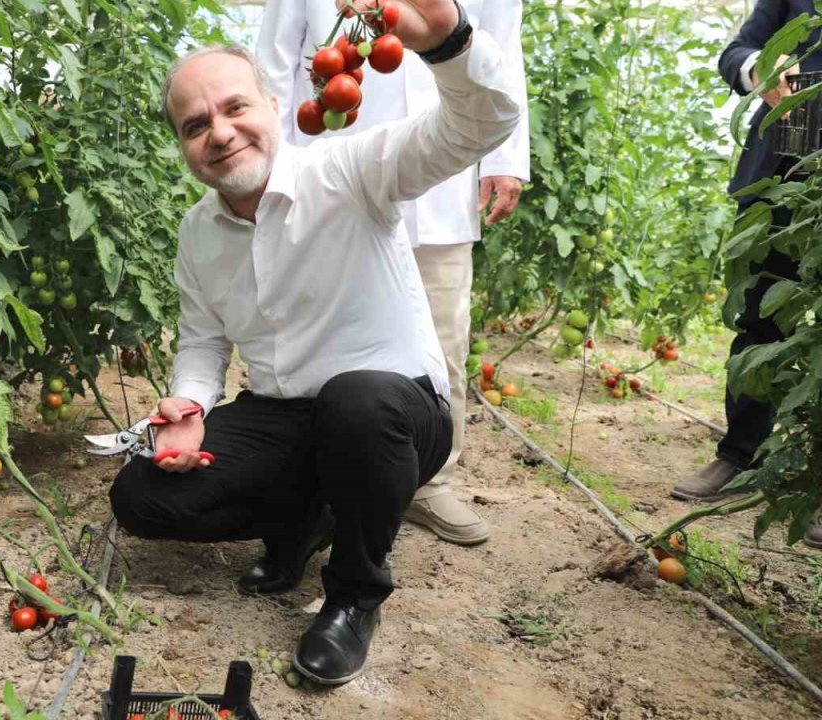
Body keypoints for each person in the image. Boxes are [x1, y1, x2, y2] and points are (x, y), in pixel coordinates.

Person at [108, 0, 521, 685]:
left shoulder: (351, 170)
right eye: (195, 124)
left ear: (275, 104)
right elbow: (204, 341)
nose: (219, 132)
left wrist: (450, 42)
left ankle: (354, 597)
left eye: (235, 107)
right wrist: (186, 406)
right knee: (144, 496)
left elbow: (479, 123)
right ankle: (308, 520)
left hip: (396, 411)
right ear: (183, 146)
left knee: (357, 405)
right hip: (286, 412)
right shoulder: (198, 232)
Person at [255, 0, 529, 546]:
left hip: (441, 180)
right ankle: (316, 484)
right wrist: (273, 167)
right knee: (321, 332)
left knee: (444, 333)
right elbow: (275, 60)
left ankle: (431, 483)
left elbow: (501, 45)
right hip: (331, 173)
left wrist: (504, 159)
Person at [675, 0, 822, 548]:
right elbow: (736, 52)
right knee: (761, 317)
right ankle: (740, 452)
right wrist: (761, 68)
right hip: (782, 179)